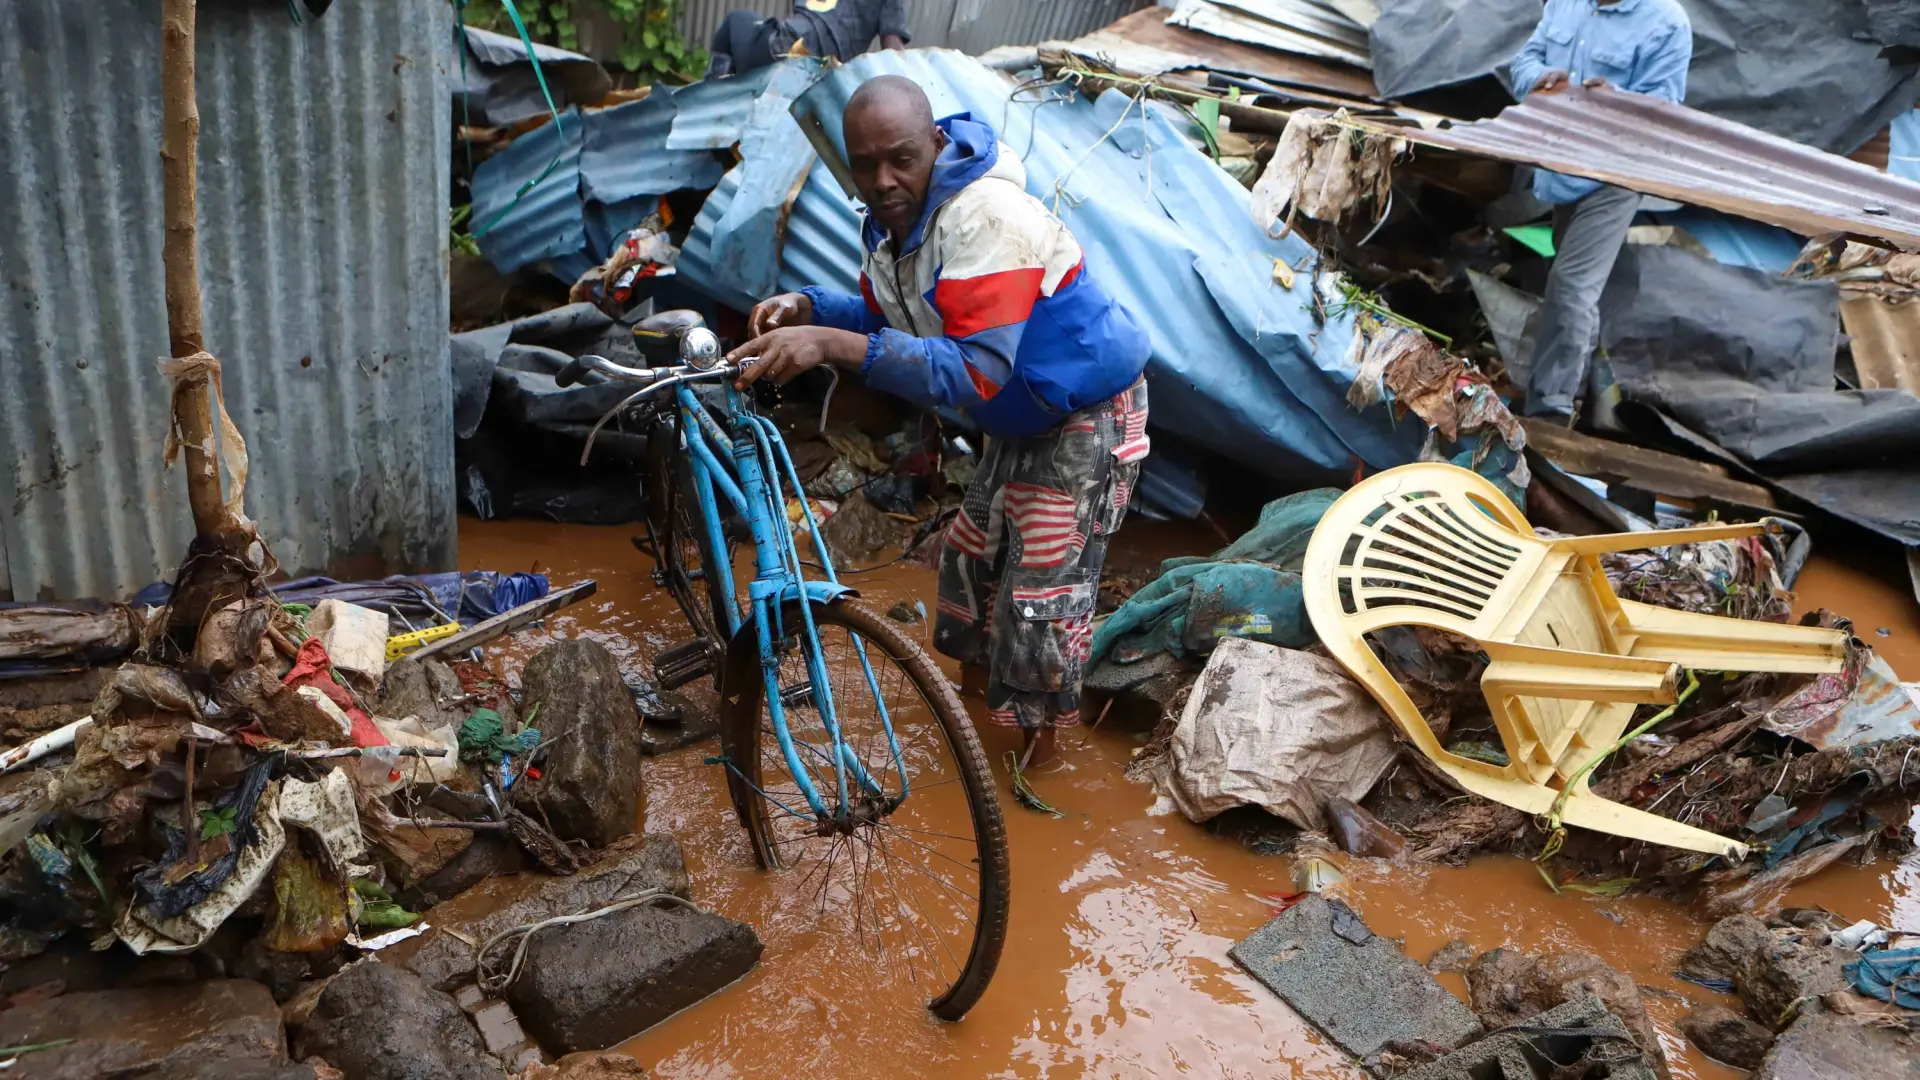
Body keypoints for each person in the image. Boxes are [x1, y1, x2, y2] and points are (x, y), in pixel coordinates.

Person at [725, 75, 1152, 771]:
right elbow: (895, 322)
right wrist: (812, 307)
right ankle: (973, 731)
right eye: (864, 165)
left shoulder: (986, 216)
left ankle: (1036, 762)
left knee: (1040, 584)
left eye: (901, 158)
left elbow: (974, 369)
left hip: (1083, 409)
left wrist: (833, 347)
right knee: (968, 555)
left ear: (936, 143)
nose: (883, 179)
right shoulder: (893, 227)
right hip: (1019, 413)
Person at [1508, 0, 1691, 419]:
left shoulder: (1666, 22)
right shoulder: (1564, 4)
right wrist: (1541, 78)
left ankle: (1549, 409)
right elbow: (1525, 61)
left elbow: (1666, 110)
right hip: (1560, 167)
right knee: (1579, 293)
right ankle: (1586, 396)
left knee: (1571, 285)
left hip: (1616, 175)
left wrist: (1617, 101)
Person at [707, 0, 909, 79]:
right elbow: (892, 49)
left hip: (785, 48)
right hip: (822, 73)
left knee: (736, 19)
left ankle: (710, 96)